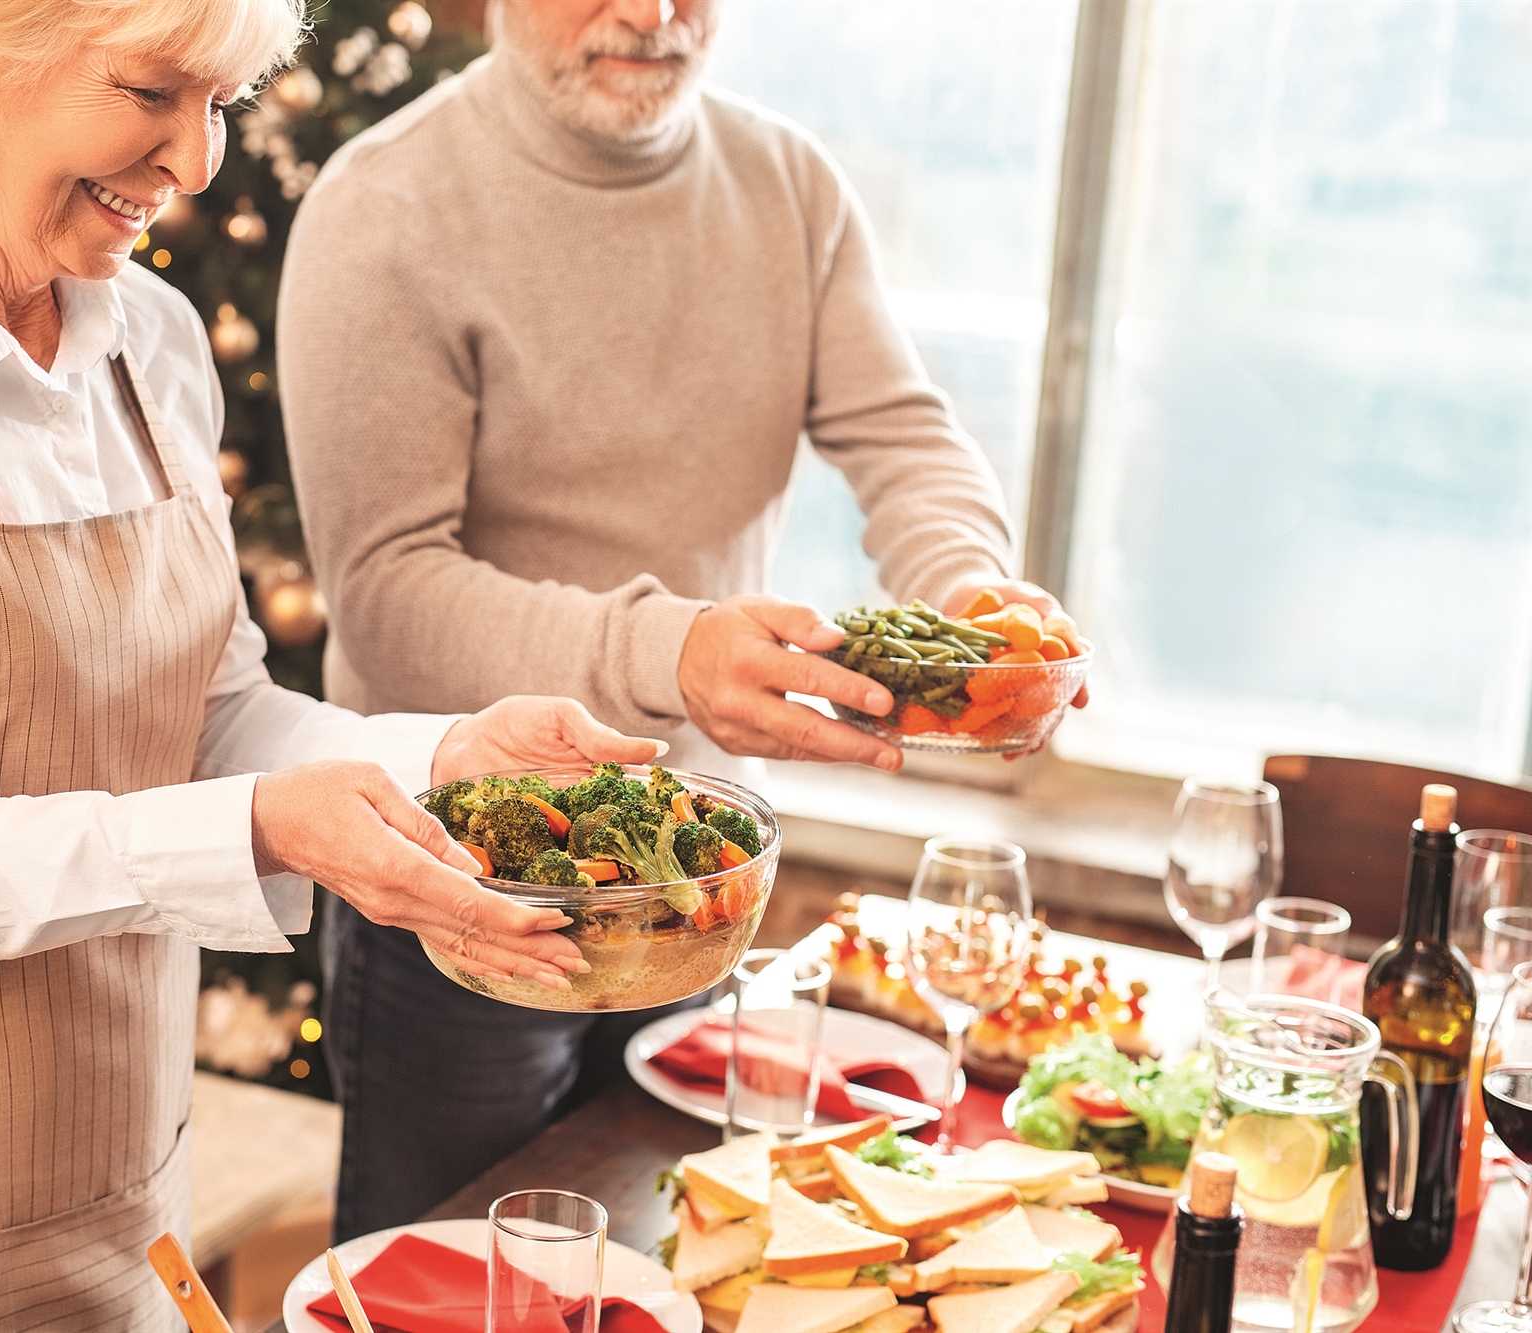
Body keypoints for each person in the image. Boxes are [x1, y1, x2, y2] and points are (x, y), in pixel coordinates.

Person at [0, 0, 659, 1326]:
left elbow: (213, 711)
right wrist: (264, 828)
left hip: (121, 1175)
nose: (195, 160)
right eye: (149, 92)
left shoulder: (154, 339)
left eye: (220, 105)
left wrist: (448, 758)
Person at [280, 0, 1077, 1239]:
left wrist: (970, 599)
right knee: (453, 1283)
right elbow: (387, 593)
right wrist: (669, 651)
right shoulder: (382, 205)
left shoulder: (789, 185)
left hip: (704, 871)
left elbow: (902, 437)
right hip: (466, 871)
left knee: (660, 1256)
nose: (652, 15)